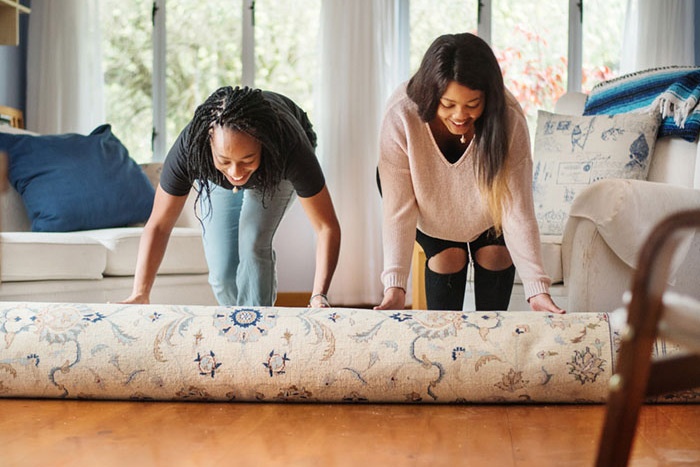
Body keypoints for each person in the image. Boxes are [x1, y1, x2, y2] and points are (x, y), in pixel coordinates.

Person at [374, 33, 564, 314]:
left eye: (472, 105)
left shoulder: (508, 117)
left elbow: (516, 209)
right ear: (430, 93)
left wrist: (538, 291)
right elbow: (398, 210)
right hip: (427, 203)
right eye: (448, 104)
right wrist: (395, 287)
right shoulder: (401, 114)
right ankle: (443, 349)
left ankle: (492, 346)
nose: (460, 115)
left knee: (496, 255)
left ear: (489, 97)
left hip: (486, 206)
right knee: (449, 257)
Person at [122, 86, 341, 308]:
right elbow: (159, 225)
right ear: (209, 144)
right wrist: (140, 293)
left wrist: (318, 295)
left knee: (252, 241)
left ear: (262, 145)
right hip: (217, 176)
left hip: (275, 166)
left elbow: (326, 227)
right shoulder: (190, 149)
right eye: (225, 160)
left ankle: (259, 330)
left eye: (247, 160)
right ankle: (238, 328)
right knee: (222, 272)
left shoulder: (290, 147)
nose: (236, 173)